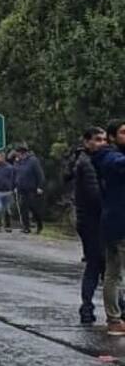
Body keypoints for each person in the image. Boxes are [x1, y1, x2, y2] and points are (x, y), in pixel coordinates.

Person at [65, 127, 107, 324]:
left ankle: (114, 305)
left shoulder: (87, 160)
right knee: (96, 263)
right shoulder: (87, 163)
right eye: (97, 140)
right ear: (87, 141)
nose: (102, 143)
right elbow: (94, 195)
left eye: (104, 140)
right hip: (92, 220)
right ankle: (87, 307)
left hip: (92, 219)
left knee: (105, 264)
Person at [92, 119, 125, 336]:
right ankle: (114, 319)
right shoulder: (109, 157)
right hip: (119, 224)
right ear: (112, 137)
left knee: (115, 273)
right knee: (115, 273)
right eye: (123, 132)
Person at [14, 143, 45, 234]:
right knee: (23, 208)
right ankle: (26, 227)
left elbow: (40, 174)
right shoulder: (18, 162)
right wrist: (15, 185)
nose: (17, 155)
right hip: (21, 188)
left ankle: (39, 224)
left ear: (23, 153)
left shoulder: (33, 161)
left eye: (18, 153)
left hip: (32, 188)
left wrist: (40, 186)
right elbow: (16, 174)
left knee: (33, 207)